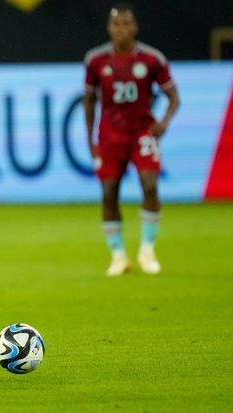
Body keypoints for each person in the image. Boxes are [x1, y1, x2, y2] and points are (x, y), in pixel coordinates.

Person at [83, 3, 180, 276]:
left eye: (126, 24)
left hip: (142, 132)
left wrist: (163, 123)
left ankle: (147, 251)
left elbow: (174, 97)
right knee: (109, 192)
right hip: (110, 135)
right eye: (116, 24)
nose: (121, 30)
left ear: (135, 27)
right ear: (109, 28)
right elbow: (89, 100)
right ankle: (118, 256)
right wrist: (90, 140)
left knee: (150, 185)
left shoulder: (152, 59)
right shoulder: (95, 60)